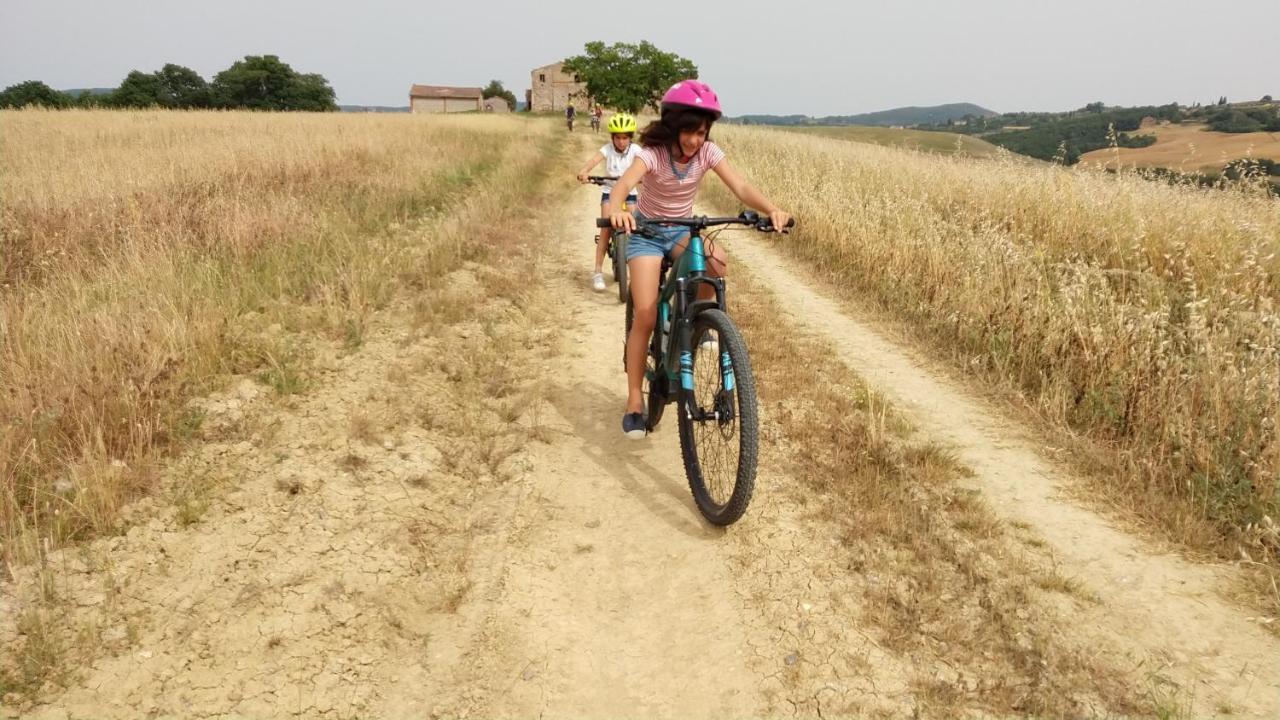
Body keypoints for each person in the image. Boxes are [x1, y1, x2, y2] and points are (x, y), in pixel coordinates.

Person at [605, 80, 792, 439]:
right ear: (674, 126)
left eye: (701, 132)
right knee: (644, 312)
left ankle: (694, 322)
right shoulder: (654, 153)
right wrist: (616, 210)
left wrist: (772, 209)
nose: (694, 140)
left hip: (680, 231)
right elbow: (622, 186)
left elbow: (740, 187)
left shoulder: (708, 152)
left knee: (716, 261)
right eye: (689, 131)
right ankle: (633, 400)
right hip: (647, 234)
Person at [575, 112, 641, 292]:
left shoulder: (636, 151)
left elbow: (647, 165)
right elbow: (593, 161)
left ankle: (636, 273)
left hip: (630, 193)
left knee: (634, 229)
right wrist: (585, 171)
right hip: (609, 193)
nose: (621, 141)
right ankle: (597, 271)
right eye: (618, 138)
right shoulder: (607, 149)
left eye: (625, 137)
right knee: (605, 227)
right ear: (612, 137)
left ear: (630, 138)